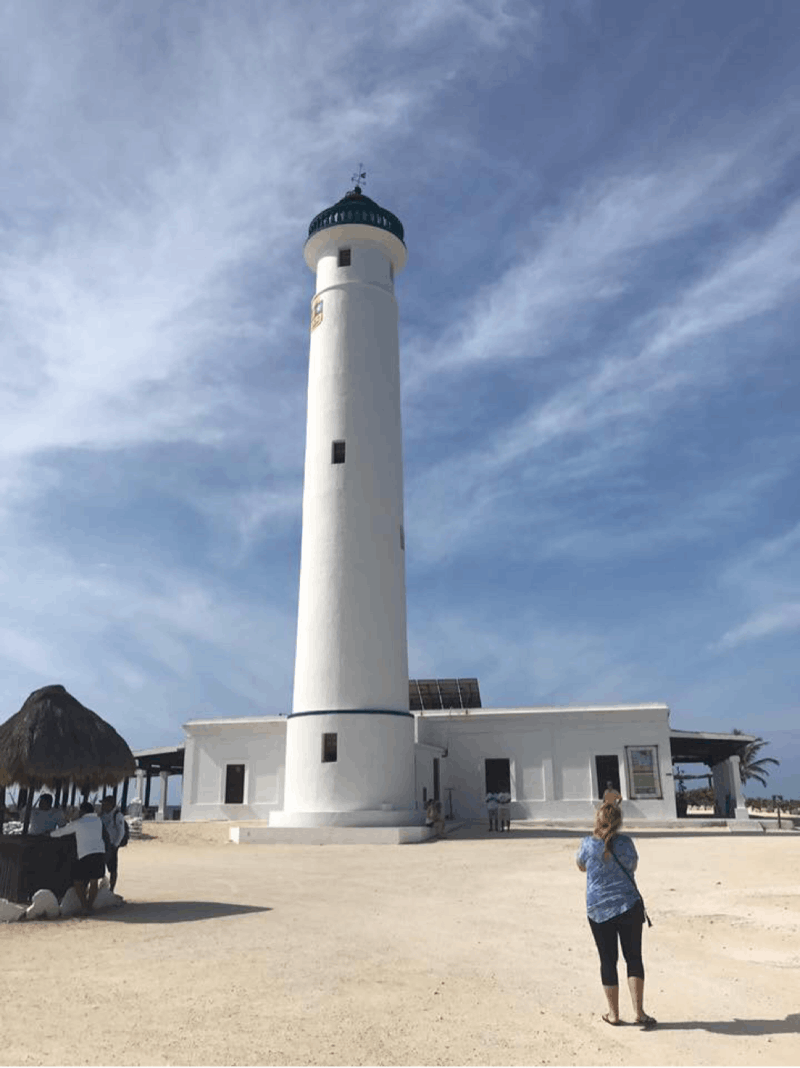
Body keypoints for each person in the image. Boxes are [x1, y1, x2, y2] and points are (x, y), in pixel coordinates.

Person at [576, 802, 656, 1029]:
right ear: (619, 822)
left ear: (597, 821)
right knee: (634, 958)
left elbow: (581, 866)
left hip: (599, 909)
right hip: (628, 906)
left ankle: (613, 1014)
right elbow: (633, 865)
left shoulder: (588, 844)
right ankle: (639, 1012)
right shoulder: (627, 843)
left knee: (608, 960)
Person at [50, 800, 106, 913]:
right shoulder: (98, 820)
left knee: (77, 881)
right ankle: (89, 906)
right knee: (93, 881)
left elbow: (62, 831)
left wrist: (50, 834)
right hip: (100, 852)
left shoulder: (80, 822)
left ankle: (84, 905)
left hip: (85, 854)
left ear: (83, 811)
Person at [100, 796, 126, 892]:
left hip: (111, 845)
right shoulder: (103, 815)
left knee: (112, 868)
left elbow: (121, 832)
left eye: (104, 804)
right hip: (102, 844)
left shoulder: (117, 815)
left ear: (110, 805)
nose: (102, 805)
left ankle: (111, 889)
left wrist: (115, 845)